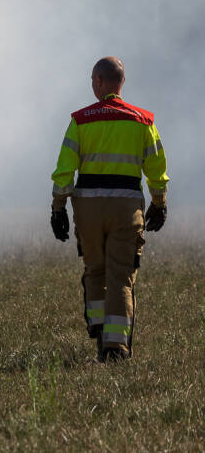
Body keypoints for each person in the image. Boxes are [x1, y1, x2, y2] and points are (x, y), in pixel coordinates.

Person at [50, 56, 169, 362]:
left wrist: (58, 207)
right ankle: (116, 349)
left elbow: (64, 170)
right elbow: (156, 167)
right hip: (126, 209)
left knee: (95, 270)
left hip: (88, 209)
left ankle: (100, 330)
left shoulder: (80, 120)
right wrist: (159, 202)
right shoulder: (143, 121)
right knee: (121, 275)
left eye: (93, 80)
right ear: (122, 82)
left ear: (100, 81)